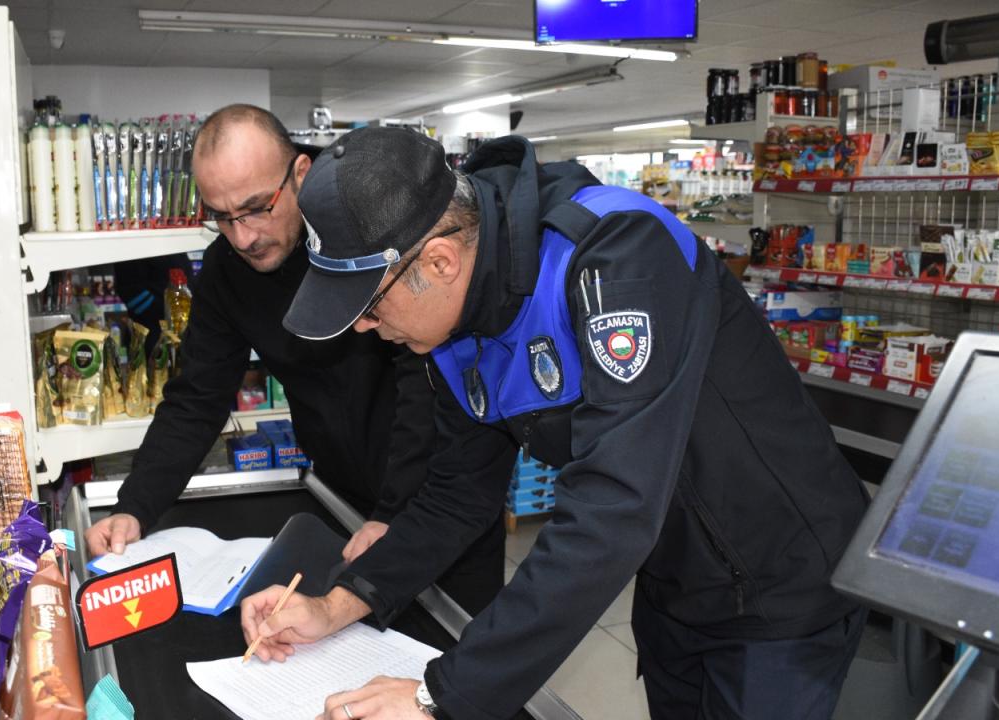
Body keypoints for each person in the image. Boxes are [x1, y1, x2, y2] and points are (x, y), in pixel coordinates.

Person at [240, 127, 871, 720]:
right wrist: (336, 604)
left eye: (371, 305)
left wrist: (438, 697)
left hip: (778, 583)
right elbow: (458, 493)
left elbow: (612, 507)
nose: (362, 328)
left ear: (439, 262)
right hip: (673, 583)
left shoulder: (616, 253)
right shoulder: (457, 324)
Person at [84, 105, 505, 616]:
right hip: (337, 498)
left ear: (300, 173)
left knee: (451, 636)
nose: (243, 236)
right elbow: (197, 395)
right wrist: (135, 506)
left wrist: (395, 512)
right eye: (222, 217)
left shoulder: (367, 229)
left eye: (256, 208)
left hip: (441, 498)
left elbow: (423, 377)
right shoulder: (226, 269)